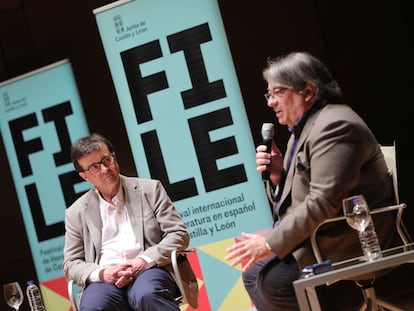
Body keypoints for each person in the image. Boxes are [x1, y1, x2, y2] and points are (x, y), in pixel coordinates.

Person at [225, 51, 397, 310]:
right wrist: (277, 175)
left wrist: (271, 242)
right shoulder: (304, 128)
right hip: (322, 233)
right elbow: (300, 197)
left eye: (277, 93)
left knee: (273, 282)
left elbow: (324, 200)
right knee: (253, 274)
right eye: (268, 94)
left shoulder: (335, 125)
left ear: (307, 92)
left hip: (350, 239)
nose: (270, 102)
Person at [62, 133, 190, 311]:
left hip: (149, 268)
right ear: (84, 176)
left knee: (147, 293)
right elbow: (71, 263)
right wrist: (102, 273)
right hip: (105, 279)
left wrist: (143, 261)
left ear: (114, 157)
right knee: (93, 307)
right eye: (94, 167)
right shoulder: (75, 213)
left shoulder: (150, 190)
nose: (105, 169)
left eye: (106, 160)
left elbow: (178, 234)